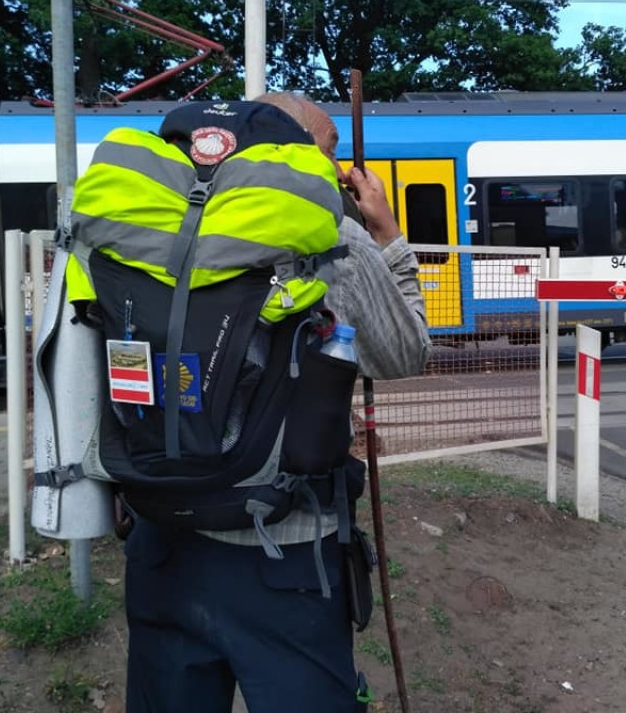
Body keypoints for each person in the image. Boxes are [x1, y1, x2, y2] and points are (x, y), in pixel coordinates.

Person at [122, 92, 432, 713]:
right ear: (308, 158)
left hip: (159, 536)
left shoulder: (135, 224)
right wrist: (390, 237)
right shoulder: (328, 232)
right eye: (334, 157)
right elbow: (403, 352)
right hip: (283, 550)